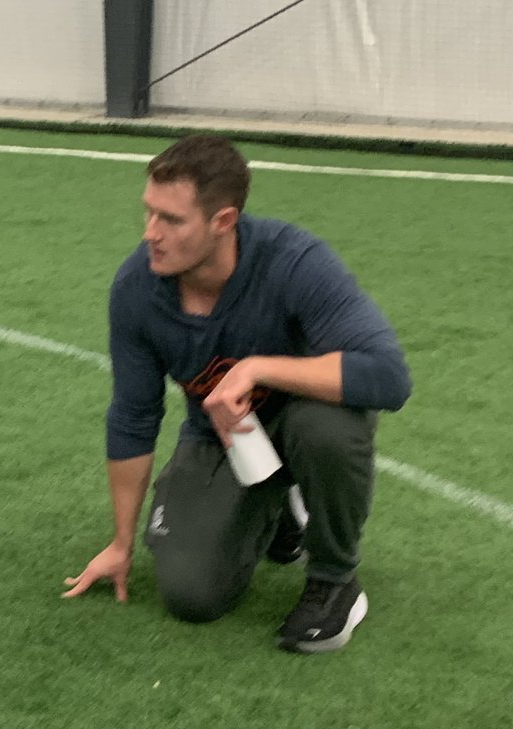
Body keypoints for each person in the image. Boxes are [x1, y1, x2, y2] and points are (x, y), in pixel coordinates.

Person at [63, 134, 411, 653]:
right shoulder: (137, 289)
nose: (150, 233)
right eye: (149, 213)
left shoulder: (294, 261)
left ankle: (335, 581)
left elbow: (388, 377)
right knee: (190, 596)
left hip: (301, 423)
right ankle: (280, 512)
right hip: (223, 437)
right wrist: (120, 543)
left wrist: (259, 368)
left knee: (328, 428)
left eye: (171, 220)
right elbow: (133, 416)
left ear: (222, 222)